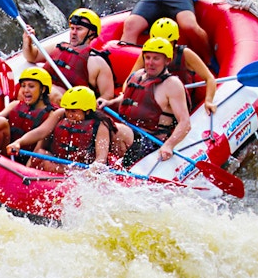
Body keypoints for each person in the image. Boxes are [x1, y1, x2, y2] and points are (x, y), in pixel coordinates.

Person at [98, 37, 191, 167]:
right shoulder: (138, 75)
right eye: (147, 58)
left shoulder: (172, 85)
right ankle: (98, 162)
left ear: (167, 61)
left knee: (107, 126)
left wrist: (168, 146)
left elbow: (185, 123)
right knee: (94, 120)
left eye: (156, 58)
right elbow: (127, 99)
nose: (150, 63)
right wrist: (109, 103)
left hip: (150, 142)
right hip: (132, 133)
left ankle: (98, 166)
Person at [12, 86, 131, 173]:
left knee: (48, 163)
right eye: (67, 110)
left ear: (87, 111)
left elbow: (101, 158)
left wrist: (90, 172)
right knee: (39, 154)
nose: (69, 114)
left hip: (80, 170)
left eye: (74, 111)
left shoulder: (100, 125)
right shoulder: (60, 114)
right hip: (59, 163)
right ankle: (24, 174)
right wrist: (19, 142)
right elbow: (41, 131)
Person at [22, 8, 114, 105]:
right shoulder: (58, 47)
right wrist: (27, 42)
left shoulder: (98, 62)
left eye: (79, 29)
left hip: (64, 107)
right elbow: (32, 56)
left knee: (52, 94)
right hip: (38, 96)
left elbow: (107, 96)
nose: (73, 32)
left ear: (92, 33)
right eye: (72, 28)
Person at [126, 17, 217, 115]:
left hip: (182, 105)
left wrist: (208, 101)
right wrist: (126, 94)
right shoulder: (147, 55)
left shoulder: (186, 54)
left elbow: (209, 78)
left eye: (167, 43)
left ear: (174, 41)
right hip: (156, 102)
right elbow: (130, 80)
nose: (162, 47)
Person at [0, 68, 56, 159]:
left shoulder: (52, 114)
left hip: (30, 159)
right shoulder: (15, 104)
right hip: (8, 154)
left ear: (43, 89)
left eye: (31, 86)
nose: (25, 90)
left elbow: (40, 137)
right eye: (23, 86)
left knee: (42, 145)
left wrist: (19, 145)